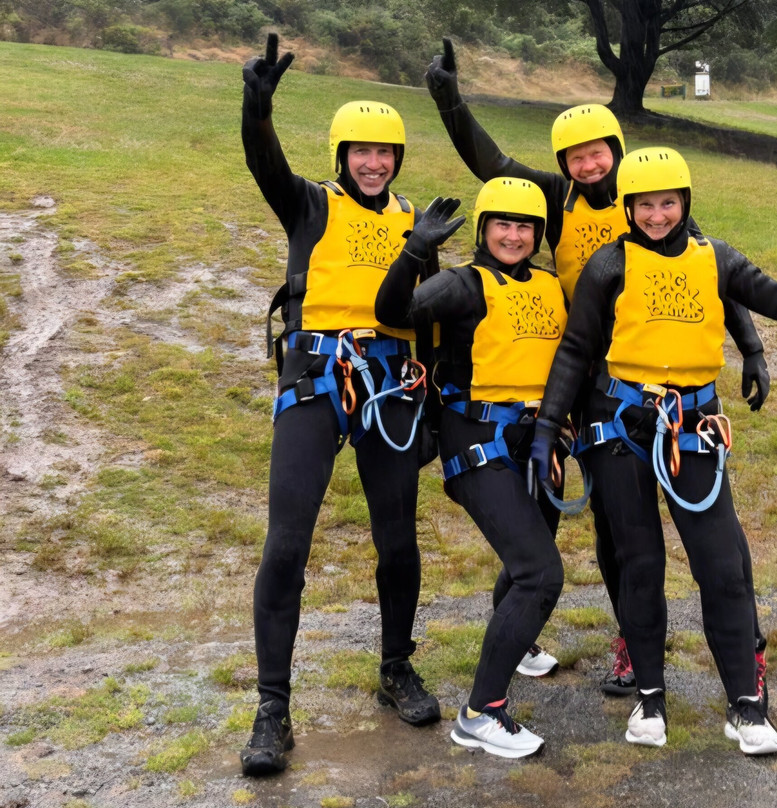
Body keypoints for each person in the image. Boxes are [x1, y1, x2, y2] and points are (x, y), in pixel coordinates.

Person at [425, 39, 772, 696]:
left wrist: (750, 346)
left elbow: (708, 275)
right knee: (616, 525)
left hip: (661, 378)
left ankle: (745, 641)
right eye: (575, 156)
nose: (587, 164)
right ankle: (607, 637)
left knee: (713, 525)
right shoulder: (556, 199)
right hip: (587, 380)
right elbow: (492, 163)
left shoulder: (650, 197)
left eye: (597, 152)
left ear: (616, 151)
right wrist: (451, 102)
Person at [530, 147, 777, 754]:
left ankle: (746, 707)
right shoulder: (607, 266)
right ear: (628, 208)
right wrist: (547, 431)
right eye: (643, 205)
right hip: (620, 426)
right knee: (640, 564)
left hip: (692, 425)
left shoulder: (716, 258)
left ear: (686, 203)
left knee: (722, 568)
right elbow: (573, 352)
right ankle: (651, 698)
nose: (656, 215)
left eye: (667, 203)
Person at [239, 34, 441, 776]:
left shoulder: (417, 220)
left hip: (391, 384)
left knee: (398, 539)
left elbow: (435, 312)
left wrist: (439, 400)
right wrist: (255, 111)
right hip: (316, 376)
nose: (374, 163)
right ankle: (272, 706)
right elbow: (266, 164)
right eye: (361, 151)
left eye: (385, 153)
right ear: (341, 155)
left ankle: (395, 668)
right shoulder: (309, 205)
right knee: (287, 541)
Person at [375, 177, 567, 759]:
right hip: (476, 441)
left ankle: (517, 636)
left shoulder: (552, 285)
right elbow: (394, 312)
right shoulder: (462, 284)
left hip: (535, 441)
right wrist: (413, 252)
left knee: (527, 556)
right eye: (503, 225)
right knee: (540, 573)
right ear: (484, 230)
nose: (514, 235)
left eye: (525, 226)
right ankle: (481, 712)